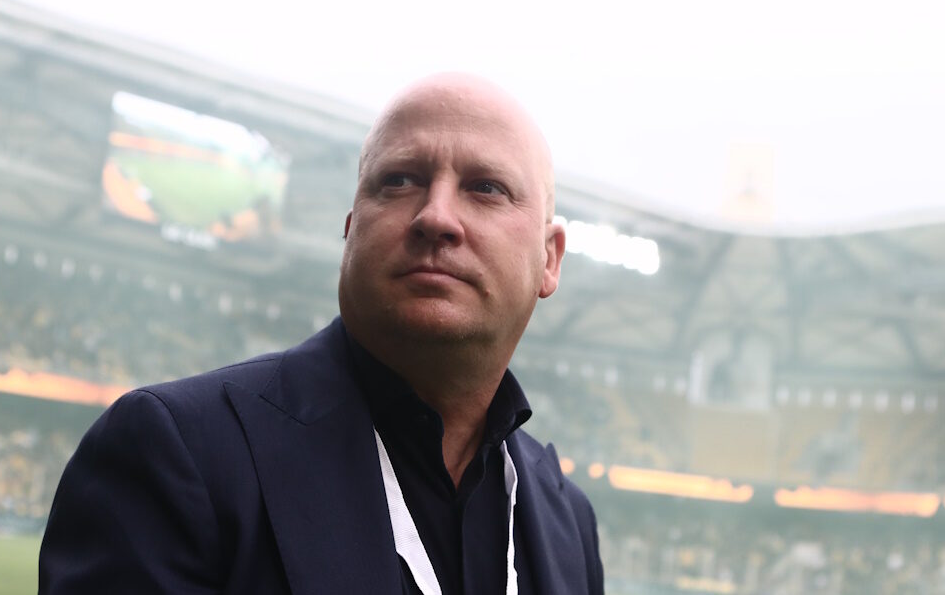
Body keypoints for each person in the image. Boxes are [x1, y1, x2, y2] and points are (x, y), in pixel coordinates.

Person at [40, 73, 603, 594]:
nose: (435, 216)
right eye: (399, 180)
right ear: (351, 229)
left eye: (485, 188)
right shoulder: (175, 452)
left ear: (549, 259)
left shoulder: (568, 521)